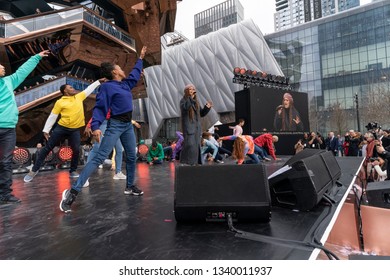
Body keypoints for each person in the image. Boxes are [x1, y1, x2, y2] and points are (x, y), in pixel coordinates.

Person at [59, 46, 147, 213]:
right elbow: (100, 108)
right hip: (115, 125)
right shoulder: (107, 87)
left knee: (131, 156)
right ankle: (72, 192)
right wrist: (96, 127)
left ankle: (129, 186)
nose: (122, 69)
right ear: (114, 72)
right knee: (99, 157)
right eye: (120, 68)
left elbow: (135, 74)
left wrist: (141, 58)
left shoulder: (125, 84)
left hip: (127, 125)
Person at [24, 78, 103, 182]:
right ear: (65, 91)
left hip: (74, 129)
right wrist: (46, 130)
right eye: (70, 87)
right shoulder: (60, 102)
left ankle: (73, 170)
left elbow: (89, 89)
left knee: (76, 149)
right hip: (62, 128)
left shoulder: (79, 97)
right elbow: (53, 116)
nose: (73, 88)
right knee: (47, 148)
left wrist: (98, 82)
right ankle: (34, 170)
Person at [0, 49, 50, 204]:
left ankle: (5, 194)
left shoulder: (8, 81)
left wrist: (36, 58)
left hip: (8, 129)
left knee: (6, 161)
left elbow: (22, 72)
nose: (2, 66)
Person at [179, 84, 212, 165]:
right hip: (189, 128)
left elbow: (201, 114)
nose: (192, 90)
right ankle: (185, 161)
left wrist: (207, 108)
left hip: (197, 128)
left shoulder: (196, 103)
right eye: (190, 89)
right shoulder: (183, 101)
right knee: (189, 144)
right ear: (186, 91)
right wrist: (191, 98)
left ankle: (194, 162)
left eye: (193, 89)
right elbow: (186, 107)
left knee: (196, 146)